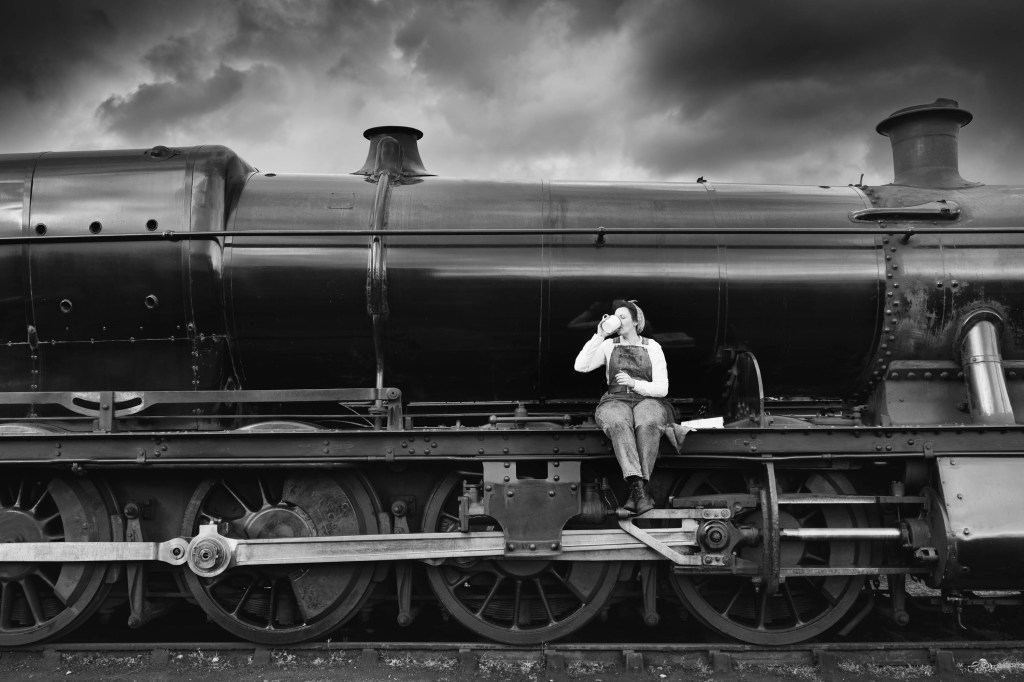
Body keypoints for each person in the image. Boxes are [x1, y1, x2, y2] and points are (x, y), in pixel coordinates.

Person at [574, 299, 671, 515]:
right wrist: (599, 335)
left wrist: (634, 383)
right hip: (615, 400)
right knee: (618, 422)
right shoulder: (609, 345)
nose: (617, 320)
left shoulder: (652, 347)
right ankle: (639, 489)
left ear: (636, 322)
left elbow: (662, 389)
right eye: (615, 316)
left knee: (649, 422)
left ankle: (636, 491)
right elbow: (580, 366)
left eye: (623, 316)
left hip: (647, 399)